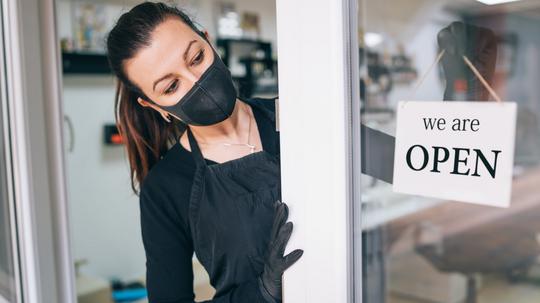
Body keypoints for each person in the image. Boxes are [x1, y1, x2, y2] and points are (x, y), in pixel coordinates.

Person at [106, 2, 301, 303]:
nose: (197, 80)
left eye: (196, 57)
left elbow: (389, 160)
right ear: (155, 106)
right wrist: (260, 292)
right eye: (171, 86)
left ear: (208, 39)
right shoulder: (166, 188)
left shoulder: (293, 116)